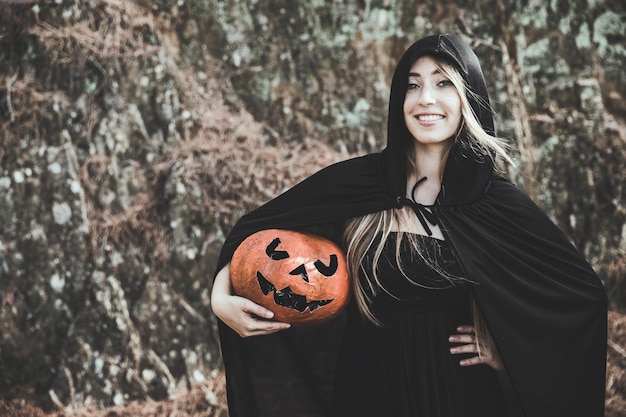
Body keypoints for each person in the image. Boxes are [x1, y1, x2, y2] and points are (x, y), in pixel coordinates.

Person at [211, 34, 607, 417]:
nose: (426, 99)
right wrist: (220, 297)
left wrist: (506, 348)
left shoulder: (493, 202)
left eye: (443, 84)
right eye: (412, 85)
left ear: (468, 99)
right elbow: (257, 233)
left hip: (458, 395)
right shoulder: (360, 183)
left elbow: (579, 299)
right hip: (368, 389)